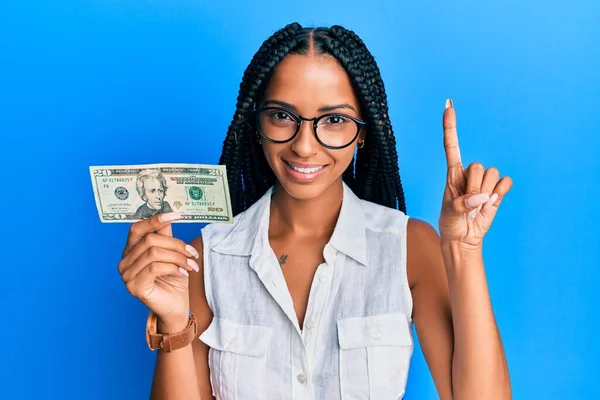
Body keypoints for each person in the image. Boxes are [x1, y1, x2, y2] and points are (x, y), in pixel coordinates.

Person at [117, 23, 513, 399]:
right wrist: (171, 321)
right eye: (282, 116)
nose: (304, 146)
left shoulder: (409, 248)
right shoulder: (208, 256)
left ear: (362, 132)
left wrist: (464, 252)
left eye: (334, 120)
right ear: (257, 124)